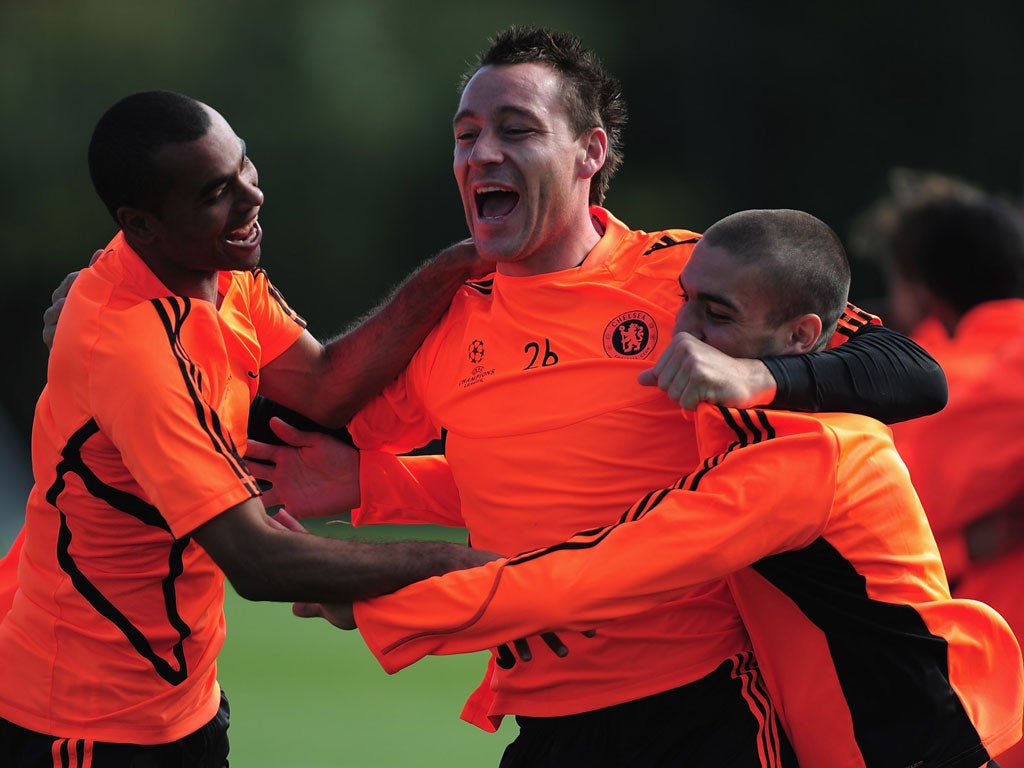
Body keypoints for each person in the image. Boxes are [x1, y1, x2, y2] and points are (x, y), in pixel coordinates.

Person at [249, 26, 949, 766]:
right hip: (542, 721)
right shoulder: (447, 322)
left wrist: (758, 379)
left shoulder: (690, 282)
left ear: (589, 153)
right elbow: (525, 469)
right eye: (465, 135)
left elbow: (909, 370)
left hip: (701, 711)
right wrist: (367, 482)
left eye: (516, 129)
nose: (481, 152)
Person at [304, 209, 1023, 767]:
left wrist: (379, 605)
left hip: (909, 747)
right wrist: (379, 483)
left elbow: (599, 570)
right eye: (685, 301)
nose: (681, 331)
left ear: (802, 337)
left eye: (716, 314)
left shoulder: (803, 455)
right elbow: (582, 480)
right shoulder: (739, 423)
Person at [0, 90, 497, 767]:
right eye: (216, 192)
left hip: (180, 705)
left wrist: (462, 264)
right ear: (141, 226)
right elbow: (256, 560)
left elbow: (323, 386)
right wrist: (461, 567)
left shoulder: (214, 272)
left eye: (245, 168)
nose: (251, 199)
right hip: (81, 723)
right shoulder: (135, 352)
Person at [882, 193, 1024, 768]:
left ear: (924, 290)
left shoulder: (934, 389)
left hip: (988, 689)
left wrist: (967, 544)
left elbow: (874, 537)